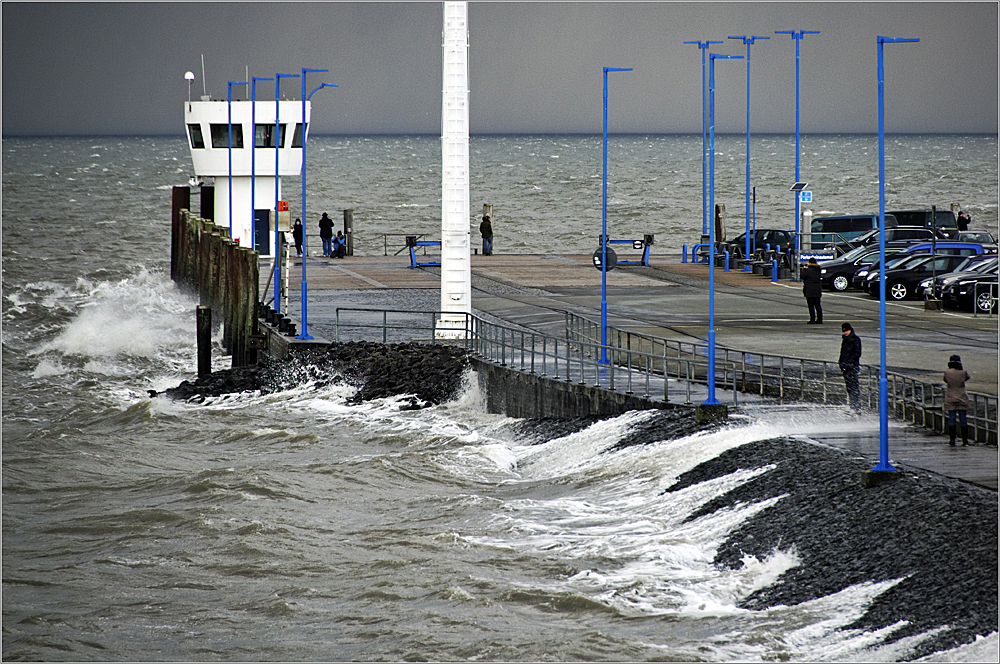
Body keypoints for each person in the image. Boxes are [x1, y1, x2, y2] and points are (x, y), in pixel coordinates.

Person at [943, 354, 971, 446]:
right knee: (963, 419)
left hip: (950, 396)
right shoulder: (963, 372)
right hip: (961, 396)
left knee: (952, 419)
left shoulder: (947, 372)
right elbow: (967, 378)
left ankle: (952, 440)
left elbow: (945, 380)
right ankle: (965, 441)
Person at [839, 322, 863, 410]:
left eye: (847, 331)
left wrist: (848, 363)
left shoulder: (855, 340)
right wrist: (841, 364)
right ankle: (853, 406)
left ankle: (856, 407)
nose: (845, 332)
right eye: (844, 331)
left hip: (852, 367)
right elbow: (842, 353)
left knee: (854, 388)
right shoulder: (845, 340)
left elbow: (857, 353)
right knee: (849, 388)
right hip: (846, 367)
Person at [801, 257, 823, 324]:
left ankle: (812, 319)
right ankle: (820, 319)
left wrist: (804, 268)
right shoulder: (818, 270)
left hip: (809, 289)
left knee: (811, 305)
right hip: (817, 289)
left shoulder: (807, 270)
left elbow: (802, 276)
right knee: (818, 305)